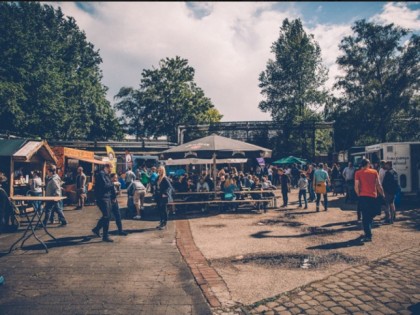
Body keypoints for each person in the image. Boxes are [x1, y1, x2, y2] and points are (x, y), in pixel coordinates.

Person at [355, 158, 385, 242]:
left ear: (361, 164)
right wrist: (382, 194)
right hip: (373, 196)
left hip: (363, 196)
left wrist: (358, 194)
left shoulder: (358, 173)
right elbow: (378, 185)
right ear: (368, 164)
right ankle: (368, 232)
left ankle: (368, 235)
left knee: (365, 216)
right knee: (372, 214)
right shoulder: (374, 172)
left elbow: (356, 186)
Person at [92, 163, 115, 242]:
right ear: (107, 167)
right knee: (106, 216)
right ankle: (105, 236)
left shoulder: (106, 175)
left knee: (107, 216)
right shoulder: (101, 175)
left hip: (107, 197)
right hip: (102, 198)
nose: (112, 169)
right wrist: (112, 184)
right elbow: (105, 185)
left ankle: (97, 229)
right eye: (111, 167)